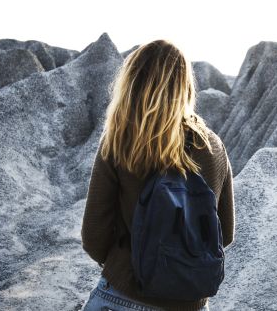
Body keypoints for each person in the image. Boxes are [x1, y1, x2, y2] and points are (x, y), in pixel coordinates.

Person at [80, 39, 235, 311]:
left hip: (122, 297)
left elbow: (93, 236)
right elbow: (225, 233)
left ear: (132, 82)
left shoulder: (119, 141)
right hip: (190, 303)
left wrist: (129, 265)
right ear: (185, 86)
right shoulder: (212, 147)